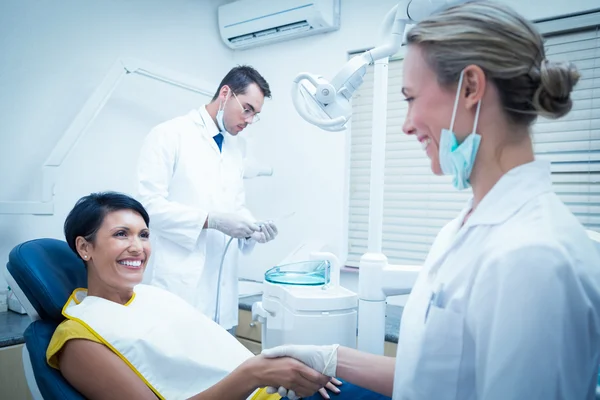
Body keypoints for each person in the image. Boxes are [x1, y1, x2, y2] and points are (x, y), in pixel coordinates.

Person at [261, 1, 600, 399]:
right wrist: (332, 357)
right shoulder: (468, 228)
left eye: (410, 97)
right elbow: (439, 376)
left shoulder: (534, 259)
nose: (406, 125)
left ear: (471, 87)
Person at [46, 192, 336, 400]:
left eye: (144, 235)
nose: (138, 247)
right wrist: (255, 374)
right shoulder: (78, 340)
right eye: (122, 234)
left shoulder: (155, 297)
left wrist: (286, 372)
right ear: (85, 248)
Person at [136, 66, 279, 333]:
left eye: (255, 114)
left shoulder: (236, 147)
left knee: (226, 371)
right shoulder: (169, 135)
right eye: (247, 108)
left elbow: (233, 206)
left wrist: (251, 231)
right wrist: (210, 221)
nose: (249, 120)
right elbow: (147, 209)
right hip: (181, 289)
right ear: (225, 94)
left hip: (222, 296)